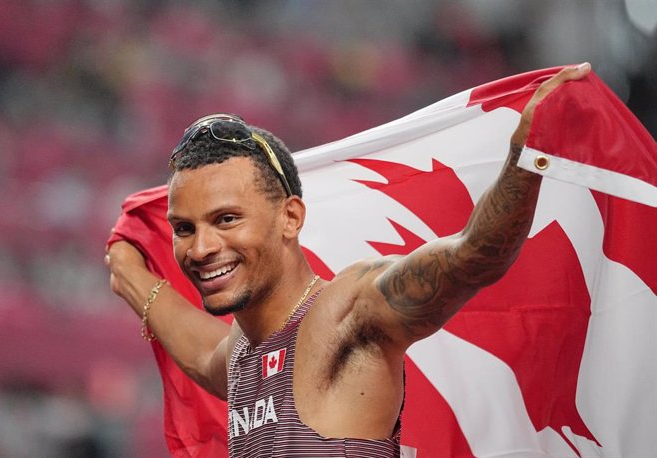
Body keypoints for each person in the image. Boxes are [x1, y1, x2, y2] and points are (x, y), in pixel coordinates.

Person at [105, 63, 592, 457]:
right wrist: (126, 267)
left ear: (290, 217)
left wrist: (528, 159)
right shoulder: (241, 355)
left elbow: (473, 255)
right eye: (184, 229)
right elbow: (196, 353)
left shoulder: (348, 312)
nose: (200, 247)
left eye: (227, 219)